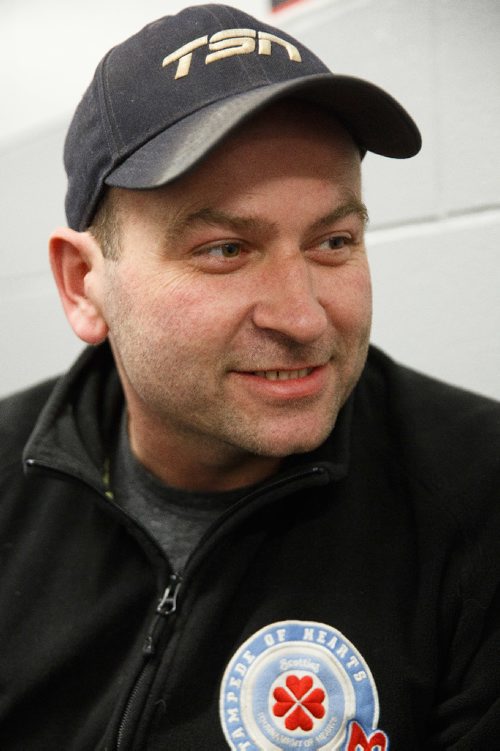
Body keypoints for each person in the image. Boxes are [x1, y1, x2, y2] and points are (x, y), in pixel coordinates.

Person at [0, 3, 498, 749]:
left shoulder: (479, 494)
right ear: (82, 285)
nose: (302, 319)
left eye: (334, 241)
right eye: (225, 250)